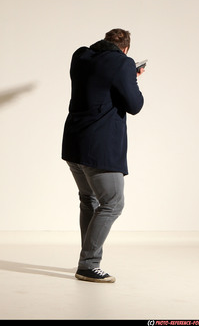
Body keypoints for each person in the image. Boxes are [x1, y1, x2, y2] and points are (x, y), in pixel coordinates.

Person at [61, 28, 145, 283]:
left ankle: (87, 260)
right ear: (126, 49)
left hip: (74, 143)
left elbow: (96, 84)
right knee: (113, 203)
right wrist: (133, 76)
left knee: (89, 200)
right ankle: (88, 264)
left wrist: (124, 74)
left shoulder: (80, 56)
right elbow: (135, 105)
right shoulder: (123, 63)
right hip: (100, 146)